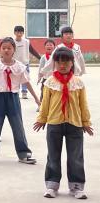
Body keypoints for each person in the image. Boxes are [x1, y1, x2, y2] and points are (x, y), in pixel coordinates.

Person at [34, 47, 93, 199]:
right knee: (53, 155)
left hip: (75, 124)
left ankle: (76, 186)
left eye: (66, 62)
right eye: (59, 62)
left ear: (72, 63)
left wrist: (85, 122)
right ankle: (52, 185)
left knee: (76, 157)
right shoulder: (50, 82)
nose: (62, 65)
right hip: (55, 124)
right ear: (54, 63)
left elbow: (83, 104)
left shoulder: (78, 83)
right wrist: (42, 119)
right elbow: (45, 103)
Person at [12, 25, 41, 99]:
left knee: (25, 78)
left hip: (25, 63)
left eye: (21, 32)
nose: (19, 34)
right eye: (17, 32)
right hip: (15, 63)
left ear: (23, 33)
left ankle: (24, 92)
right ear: (14, 33)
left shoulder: (26, 42)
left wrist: (40, 58)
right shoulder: (12, 42)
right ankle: (16, 92)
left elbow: (32, 50)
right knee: (15, 78)